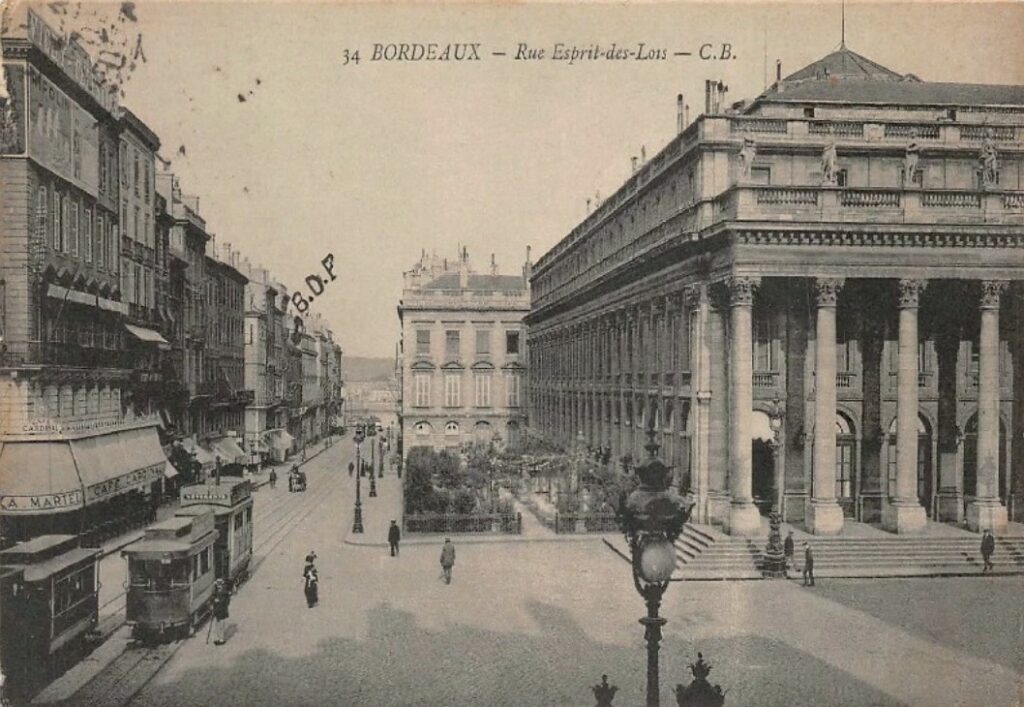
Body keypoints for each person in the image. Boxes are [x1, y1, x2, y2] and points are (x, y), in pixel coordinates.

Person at [211, 579, 230, 645]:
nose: (218, 586)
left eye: (219, 584)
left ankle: (221, 640)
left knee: (221, 625)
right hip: (218, 610)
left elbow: (226, 602)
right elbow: (213, 596)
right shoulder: (217, 590)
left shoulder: (224, 592)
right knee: (218, 624)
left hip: (222, 610)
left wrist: (218, 601)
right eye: (217, 584)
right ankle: (219, 639)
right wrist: (214, 600)